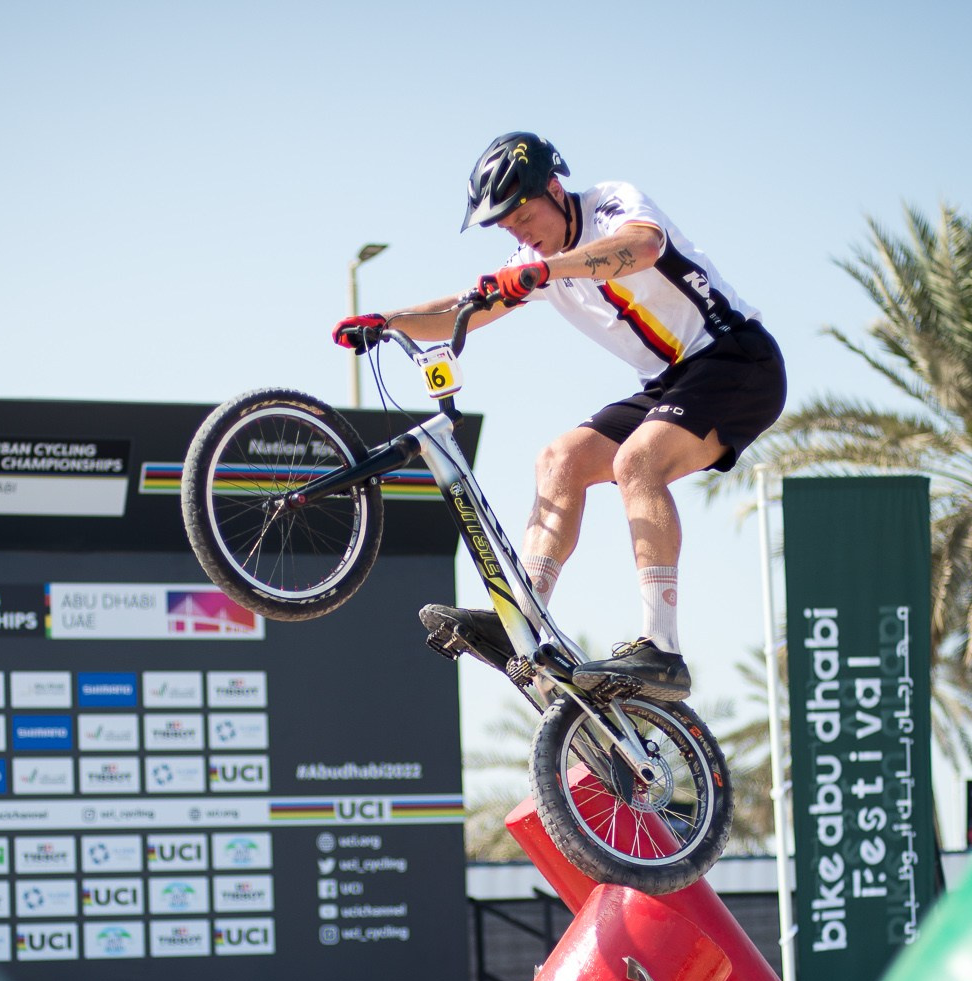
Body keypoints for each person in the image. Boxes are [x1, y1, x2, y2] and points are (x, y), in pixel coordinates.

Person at [331, 132, 786, 701]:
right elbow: (460, 309)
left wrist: (543, 272)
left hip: (737, 359)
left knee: (637, 461)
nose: (520, 234)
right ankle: (521, 619)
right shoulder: (533, 262)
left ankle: (663, 650)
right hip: (669, 383)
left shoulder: (609, 203)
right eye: (508, 227)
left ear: (554, 188)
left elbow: (643, 246)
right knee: (559, 458)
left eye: (523, 216)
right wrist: (385, 320)